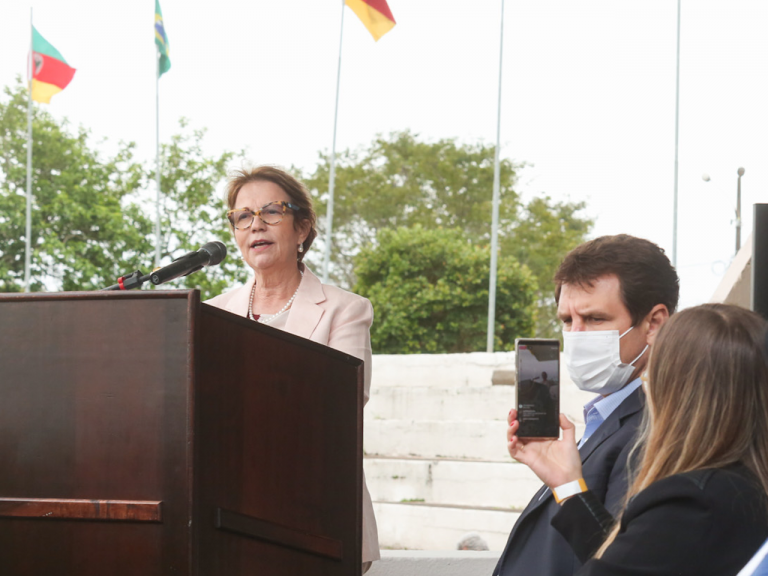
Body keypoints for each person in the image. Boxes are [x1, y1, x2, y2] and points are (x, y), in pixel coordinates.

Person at [507, 304, 768, 575]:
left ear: (673, 388)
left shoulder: (691, 502)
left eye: (652, 372)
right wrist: (568, 485)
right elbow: (632, 558)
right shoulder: (745, 488)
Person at [206, 165, 379, 570]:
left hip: (316, 513)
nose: (256, 225)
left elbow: (342, 405)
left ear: (302, 228)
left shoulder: (345, 309)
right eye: (243, 216)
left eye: (271, 211)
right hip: (228, 514)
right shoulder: (212, 312)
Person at [494, 234, 679, 576]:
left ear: (654, 323)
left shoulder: (657, 431)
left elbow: (623, 565)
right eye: (567, 321)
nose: (577, 335)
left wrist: (567, 485)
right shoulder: (604, 419)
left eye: (595, 319)